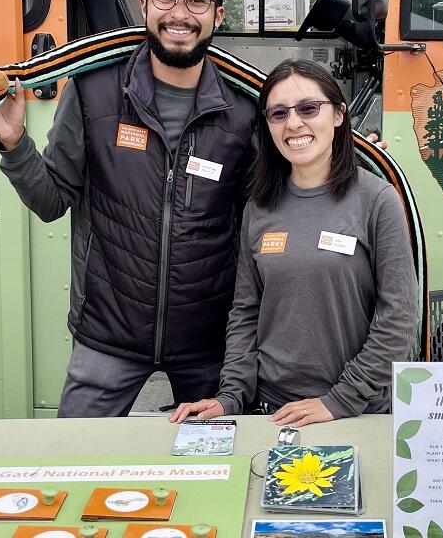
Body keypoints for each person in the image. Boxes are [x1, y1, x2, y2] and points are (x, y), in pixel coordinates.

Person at [0, 0, 380, 418]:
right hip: (107, 335)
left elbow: (281, 196)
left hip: (208, 344)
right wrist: (13, 144)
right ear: (145, 5)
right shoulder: (94, 90)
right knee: (79, 462)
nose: (180, 14)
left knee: (214, 472)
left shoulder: (242, 106)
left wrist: (348, 154)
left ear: (217, 13)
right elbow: (51, 201)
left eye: (197, 0)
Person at [169, 59, 418, 429]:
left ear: (338, 115)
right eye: (279, 113)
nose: (294, 123)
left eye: (308, 108)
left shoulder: (377, 199)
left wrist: (341, 399)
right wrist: (231, 396)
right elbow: (245, 312)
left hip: (352, 412)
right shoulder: (259, 206)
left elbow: (399, 318)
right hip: (272, 411)